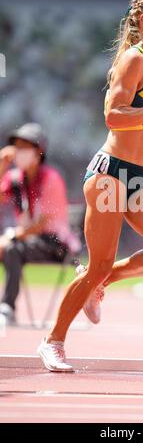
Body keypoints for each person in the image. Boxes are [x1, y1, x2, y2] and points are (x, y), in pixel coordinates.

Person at [37, 0, 143, 372]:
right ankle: (52, 341)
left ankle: (101, 282)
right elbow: (114, 116)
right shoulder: (132, 60)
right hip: (111, 175)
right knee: (99, 262)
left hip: (141, 177)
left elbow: (140, 115)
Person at [0, 123, 81, 324]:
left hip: (57, 244)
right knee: (10, 249)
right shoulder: (15, 178)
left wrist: (11, 236)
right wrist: (2, 165)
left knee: (11, 249)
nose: (19, 152)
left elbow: (42, 222)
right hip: (28, 241)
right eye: (17, 146)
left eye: (25, 146)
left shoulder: (50, 178)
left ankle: (7, 308)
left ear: (39, 151)